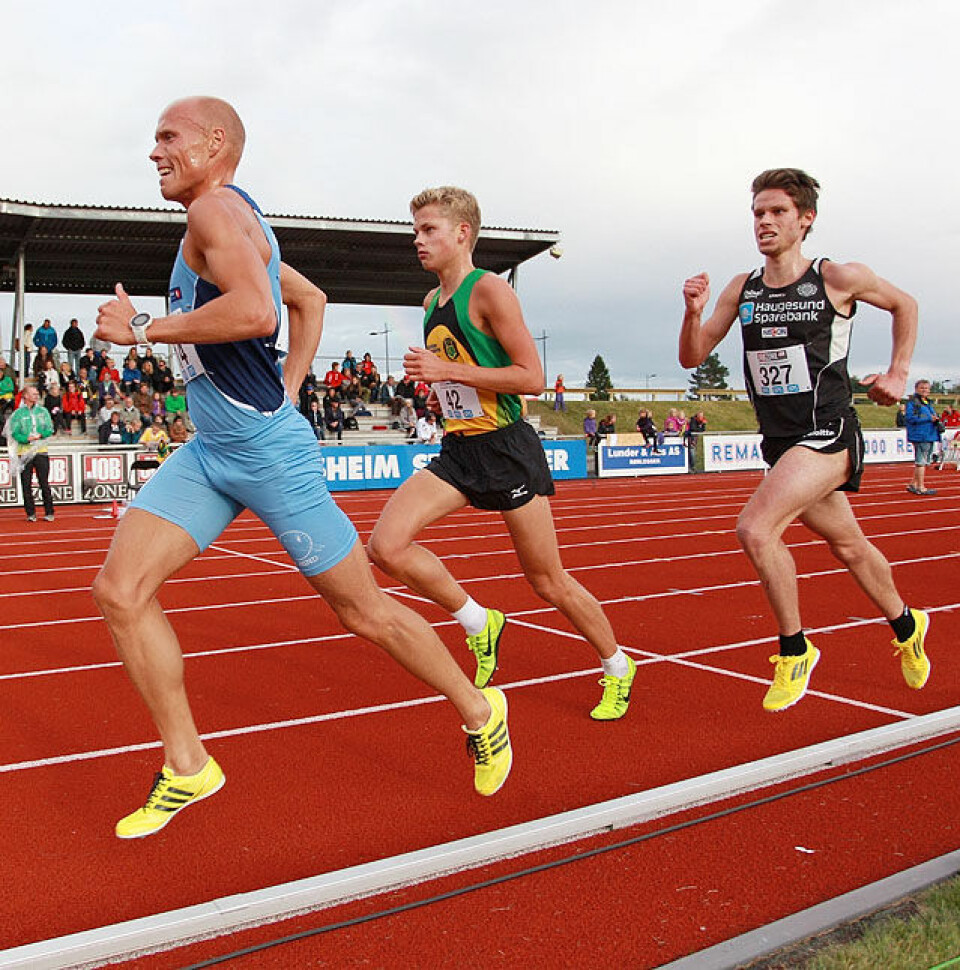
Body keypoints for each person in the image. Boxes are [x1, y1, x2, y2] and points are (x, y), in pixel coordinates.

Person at [91, 98, 510, 840]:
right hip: (213, 450)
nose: (153, 152)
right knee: (121, 591)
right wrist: (290, 382)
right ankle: (189, 767)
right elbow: (307, 299)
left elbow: (256, 312)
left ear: (216, 143)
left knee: (363, 611)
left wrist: (145, 332)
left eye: (168, 138)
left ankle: (481, 710)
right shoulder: (228, 219)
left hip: (267, 454)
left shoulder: (216, 213)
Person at [368, 185, 636, 720]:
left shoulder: (488, 290)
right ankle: (477, 621)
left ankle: (617, 666)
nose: (417, 241)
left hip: (508, 450)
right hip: (459, 449)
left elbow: (530, 377)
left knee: (547, 581)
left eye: (429, 230)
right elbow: (460, 378)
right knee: (385, 546)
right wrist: (436, 382)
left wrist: (447, 371)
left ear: (462, 233)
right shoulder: (430, 303)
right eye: (414, 231)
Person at [679, 167, 930, 712]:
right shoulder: (741, 288)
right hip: (782, 442)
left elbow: (906, 305)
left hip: (830, 431)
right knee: (848, 546)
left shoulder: (837, 277)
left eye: (776, 213)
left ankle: (794, 649)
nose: (764, 222)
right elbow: (694, 357)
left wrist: (898, 373)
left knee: (755, 528)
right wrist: (692, 314)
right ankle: (909, 625)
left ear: (804, 219)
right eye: (757, 214)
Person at [10, 385, 55, 522]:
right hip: (24, 452)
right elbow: (14, 433)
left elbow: (50, 428)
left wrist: (41, 435)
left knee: (44, 483)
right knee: (26, 484)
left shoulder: (43, 411)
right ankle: (31, 513)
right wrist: (25, 439)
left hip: (40, 451)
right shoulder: (18, 414)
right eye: (33, 394)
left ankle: (49, 511)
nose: (36, 396)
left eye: (37, 394)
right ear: (26, 396)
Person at [904, 379, 940, 496]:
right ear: (916, 389)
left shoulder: (927, 402)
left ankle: (913, 484)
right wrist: (929, 419)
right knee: (921, 462)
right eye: (922, 388)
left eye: (926, 388)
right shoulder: (913, 403)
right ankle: (920, 487)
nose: (924, 390)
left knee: (924, 461)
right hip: (920, 435)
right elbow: (910, 418)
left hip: (929, 434)